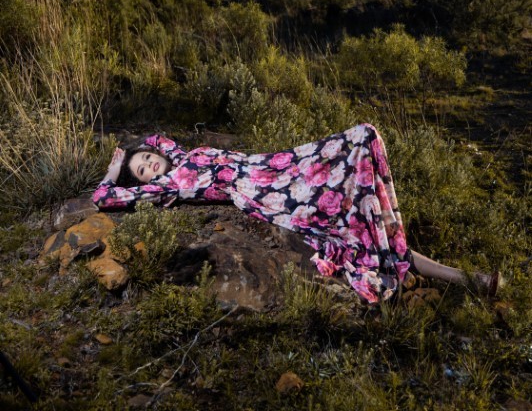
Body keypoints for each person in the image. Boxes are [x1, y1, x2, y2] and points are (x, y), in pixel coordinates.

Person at [92, 125, 504, 304]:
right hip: (264, 191)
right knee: (358, 235)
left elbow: (155, 140)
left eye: (147, 158)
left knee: (363, 137)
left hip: (275, 165)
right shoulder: (166, 187)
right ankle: (471, 280)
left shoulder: (180, 154)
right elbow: (104, 198)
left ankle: (466, 278)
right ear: (145, 183)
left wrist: (127, 152)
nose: (149, 165)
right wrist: (116, 172)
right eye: (142, 171)